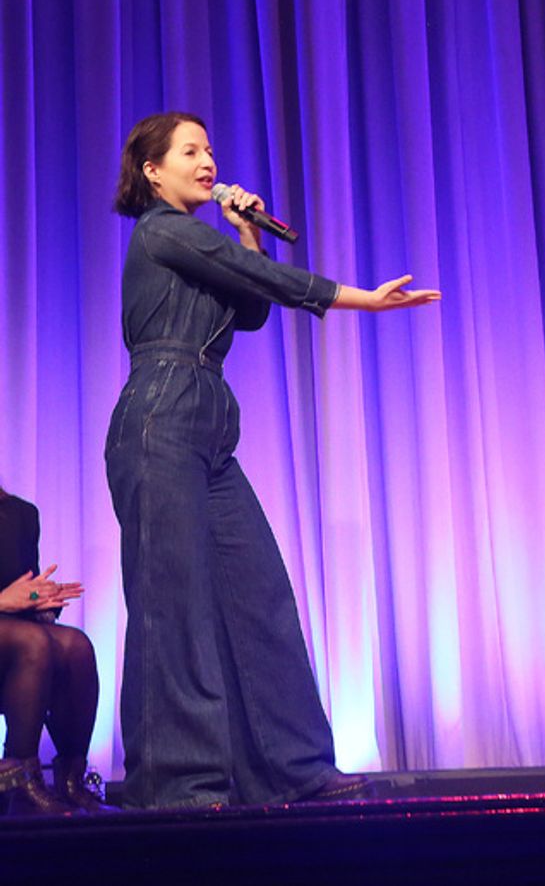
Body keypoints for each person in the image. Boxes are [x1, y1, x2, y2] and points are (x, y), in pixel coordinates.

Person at [107, 112, 440, 809]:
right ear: (152, 171)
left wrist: (248, 231)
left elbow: (250, 302)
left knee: (259, 595)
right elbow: (260, 281)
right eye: (190, 151)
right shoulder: (163, 231)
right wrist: (361, 300)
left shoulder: (199, 240)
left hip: (207, 424)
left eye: (210, 149)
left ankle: (295, 767)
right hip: (159, 418)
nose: (207, 161)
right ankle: (180, 782)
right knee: (173, 604)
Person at [0, 487, 103, 813]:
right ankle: (19, 784)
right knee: (33, 642)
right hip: (17, 639)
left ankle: (71, 782)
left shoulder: (22, 514)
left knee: (76, 646)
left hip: (11, 637)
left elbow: (24, 591)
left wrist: (40, 600)